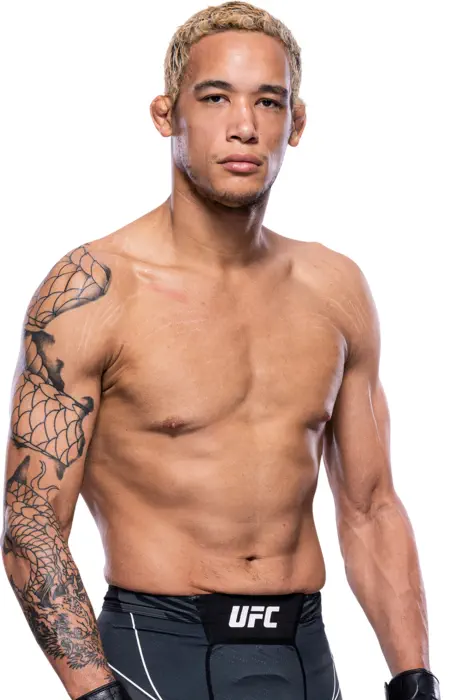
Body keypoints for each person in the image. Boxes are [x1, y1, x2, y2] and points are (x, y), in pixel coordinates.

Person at [1, 2, 440, 699]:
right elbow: (31, 522)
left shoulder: (335, 288)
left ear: (296, 123)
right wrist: (94, 692)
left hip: (307, 656)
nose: (244, 125)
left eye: (269, 101)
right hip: (156, 655)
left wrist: (413, 675)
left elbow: (371, 506)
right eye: (215, 98)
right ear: (166, 114)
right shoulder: (91, 291)